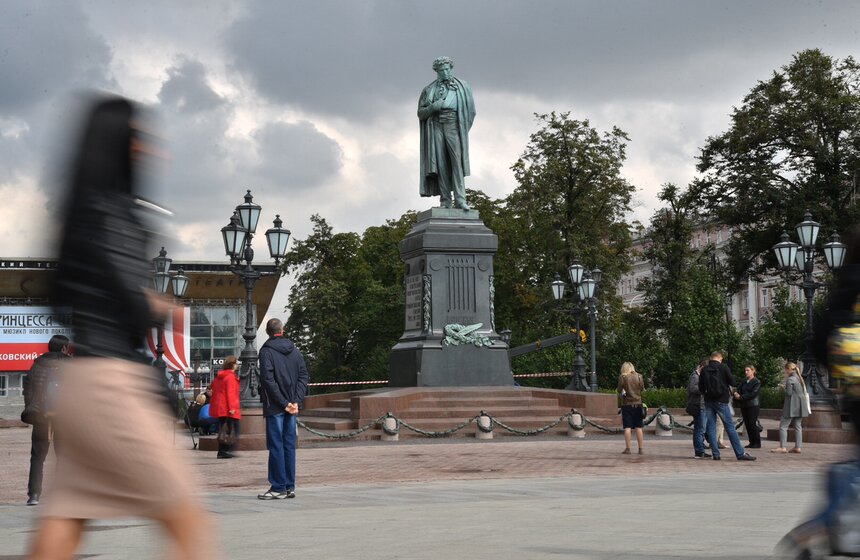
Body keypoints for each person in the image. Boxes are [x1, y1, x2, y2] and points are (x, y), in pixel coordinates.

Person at [27, 96, 217, 560]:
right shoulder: (115, 213)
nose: (153, 151)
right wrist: (157, 303)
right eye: (142, 139)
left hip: (80, 384)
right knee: (187, 516)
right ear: (122, 144)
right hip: (113, 385)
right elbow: (132, 306)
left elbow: (60, 295)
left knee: (66, 519)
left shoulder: (76, 214)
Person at [258, 318, 309, 500]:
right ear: (283, 330)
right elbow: (303, 376)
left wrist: (283, 403)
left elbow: (268, 380)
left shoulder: (266, 352)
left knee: (276, 445)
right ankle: (289, 486)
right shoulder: (295, 351)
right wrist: (295, 401)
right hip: (292, 406)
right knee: (289, 445)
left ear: (267, 331)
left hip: (276, 407)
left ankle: (278, 487)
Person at [417, 56, 476, 210]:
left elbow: (471, 112)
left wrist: (462, 129)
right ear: (436, 71)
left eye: (447, 69)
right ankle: (445, 201)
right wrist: (432, 108)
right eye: (441, 70)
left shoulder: (463, 86)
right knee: (441, 164)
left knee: (456, 162)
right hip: (436, 126)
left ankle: (461, 199)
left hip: (453, 125)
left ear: (451, 68)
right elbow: (420, 113)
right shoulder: (429, 90)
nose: (445, 72)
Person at [22, 335, 71, 506]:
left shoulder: (37, 364)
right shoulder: (70, 365)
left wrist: (31, 407)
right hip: (64, 416)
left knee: (37, 456)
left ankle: (34, 495)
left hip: (41, 415)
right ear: (64, 348)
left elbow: (27, 387)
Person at [699, 350, 756, 461]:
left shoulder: (704, 369)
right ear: (720, 358)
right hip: (722, 400)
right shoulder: (723, 367)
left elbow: (701, 387)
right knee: (730, 427)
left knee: (711, 427)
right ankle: (740, 453)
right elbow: (733, 382)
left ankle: (716, 454)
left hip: (708, 401)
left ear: (711, 358)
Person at [772, 361, 810, 453]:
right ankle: (798, 447)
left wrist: (783, 388)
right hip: (801, 405)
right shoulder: (800, 378)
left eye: (786, 370)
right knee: (798, 426)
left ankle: (783, 447)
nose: (785, 372)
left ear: (789, 369)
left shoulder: (790, 379)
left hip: (791, 405)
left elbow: (789, 394)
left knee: (783, 426)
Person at [209, 356, 241, 459]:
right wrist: (232, 408)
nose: (237, 365)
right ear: (232, 364)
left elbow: (212, 387)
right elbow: (230, 393)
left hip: (221, 407)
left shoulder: (220, 376)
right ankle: (228, 450)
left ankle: (222, 451)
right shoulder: (230, 377)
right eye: (236, 363)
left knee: (223, 428)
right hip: (228, 408)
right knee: (234, 429)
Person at [686, 359, 713, 458]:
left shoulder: (700, 376)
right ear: (702, 368)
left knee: (701, 428)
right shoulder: (695, 376)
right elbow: (692, 388)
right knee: (700, 429)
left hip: (702, 405)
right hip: (698, 405)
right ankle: (699, 451)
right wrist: (704, 389)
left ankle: (700, 449)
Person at [617, 362, 645, 455]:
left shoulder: (623, 377)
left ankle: (628, 449)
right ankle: (641, 449)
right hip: (638, 404)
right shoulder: (639, 376)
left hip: (627, 405)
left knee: (627, 427)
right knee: (639, 427)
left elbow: (619, 390)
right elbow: (642, 388)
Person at [734, 364, 762, 449]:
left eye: (748, 370)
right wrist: (736, 393)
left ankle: (757, 442)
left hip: (753, 405)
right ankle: (751, 442)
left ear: (753, 371)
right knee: (747, 424)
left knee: (752, 423)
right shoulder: (744, 381)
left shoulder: (756, 381)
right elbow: (738, 389)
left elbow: (753, 394)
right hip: (744, 405)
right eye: (745, 370)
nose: (746, 372)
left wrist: (741, 397)